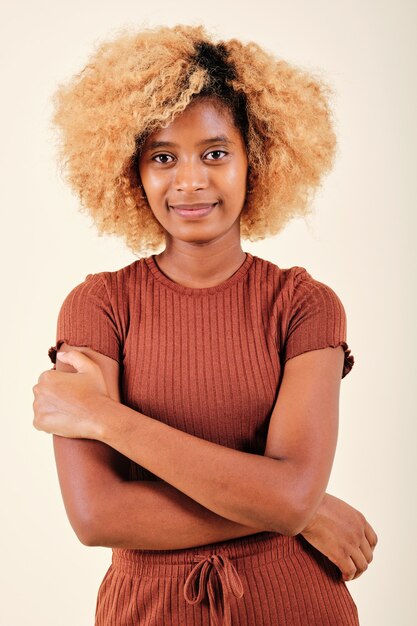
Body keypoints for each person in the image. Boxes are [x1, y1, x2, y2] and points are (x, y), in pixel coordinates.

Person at [32, 24, 378, 626]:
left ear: (256, 159)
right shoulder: (100, 307)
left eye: (215, 153)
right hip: (149, 610)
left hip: (293, 604)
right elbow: (97, 517)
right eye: (163, 157)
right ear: (132, 171)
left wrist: (103, 417)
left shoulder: (304, 306)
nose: (190, 180)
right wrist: (293, 509)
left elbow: (294, 496)